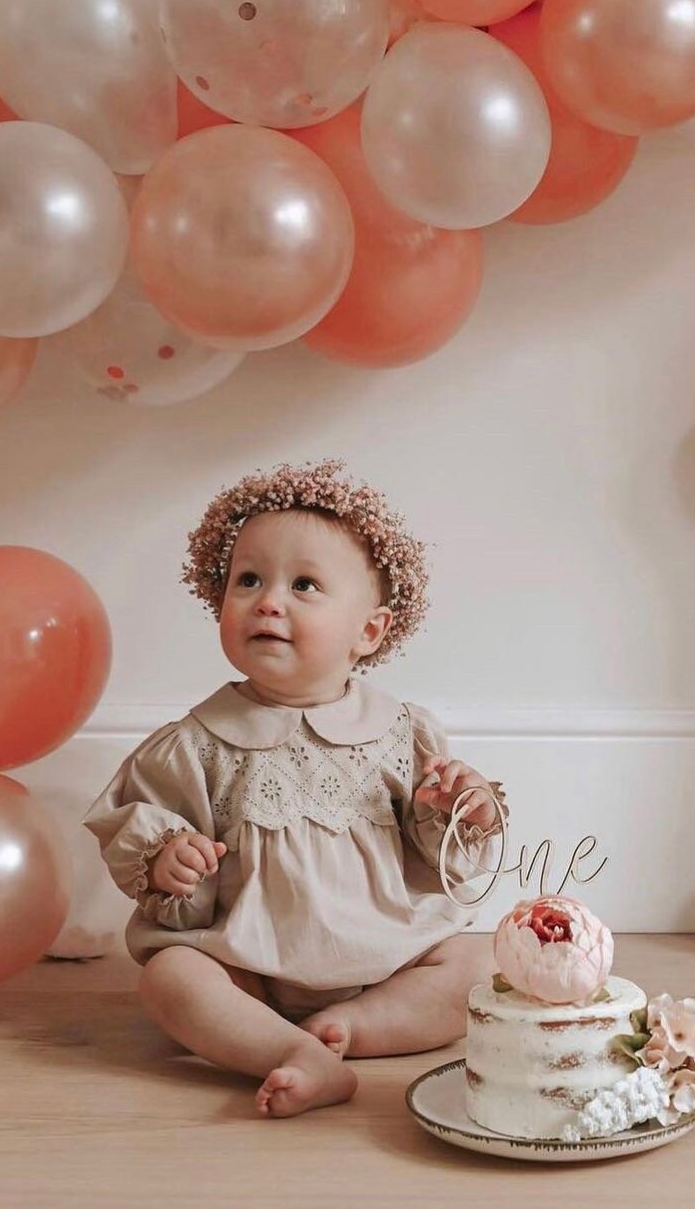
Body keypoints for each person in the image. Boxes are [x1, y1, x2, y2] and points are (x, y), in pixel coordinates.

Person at [84, 458, 506, 1117]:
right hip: (247, 966)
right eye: (247, 579)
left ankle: (360, 1024)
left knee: (476, 966)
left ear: (369, 631)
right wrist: (170, 862)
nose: (268, 600)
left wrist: (459, 811)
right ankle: (292, 1051)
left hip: (389, 955)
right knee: (172, 978)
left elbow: (441, 864)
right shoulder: (194, 744)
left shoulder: (402, 733)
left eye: (304, 584)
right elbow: (148, 849)